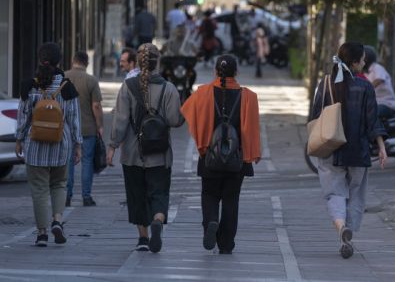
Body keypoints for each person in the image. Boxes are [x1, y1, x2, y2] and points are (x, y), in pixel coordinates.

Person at [311, 42, 387, 259]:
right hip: (359, 150)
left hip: (330, 148)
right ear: (354, 63)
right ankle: (348, 233)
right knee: (356, 194)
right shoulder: (365, 87)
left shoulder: (325, 83)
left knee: (334, 193)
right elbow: (372, 121)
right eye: (362, 59)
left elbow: (316, 116)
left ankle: (341, 225)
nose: (364, 63)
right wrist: (381, 147)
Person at [107, 43, 183, 253]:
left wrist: (112, 146)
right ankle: (158, 218)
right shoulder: (168, 88)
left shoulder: (128, 86)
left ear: (138, 62)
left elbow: (120, 120)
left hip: (133, 153)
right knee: (159, 193)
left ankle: (143, 237)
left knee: (137, 195)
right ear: (157, 62)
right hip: (160, 153)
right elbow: (175, 119)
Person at [181, 54, 261, 254]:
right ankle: (226, 244)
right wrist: (251, 155)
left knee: (209, 195)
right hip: (237, 160)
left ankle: (211, 221)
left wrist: (203, 141)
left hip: (210, 156)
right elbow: (252, 130)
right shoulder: (249, 97)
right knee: (231, 200)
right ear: (237, 72)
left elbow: (187, 113)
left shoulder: (202, 93)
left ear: (216, 71)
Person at [15, 42, 82, 247]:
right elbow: (73, 118)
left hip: (35, 145)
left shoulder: (29, 86)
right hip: (60, 145)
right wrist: (78, 144)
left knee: (39, 188)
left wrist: (19, 139)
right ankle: (58, 221)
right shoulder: (67, 87)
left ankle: (42, 233)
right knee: (59, 183)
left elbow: (23, 116)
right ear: (59, 61)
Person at [65, 51, 104, 207]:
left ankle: (67, 196)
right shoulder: (91, 80)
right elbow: (96, 105)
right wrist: (100, 125)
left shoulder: (64, 77)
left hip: (67, 128)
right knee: (87, 161)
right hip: (87, 128)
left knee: (68, 162)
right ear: (86, 63)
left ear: (73, 61)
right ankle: (86, 197)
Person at [363, 45, 395, 119]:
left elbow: (379, 79)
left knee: (372, 115)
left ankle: (378, 131)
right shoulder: (365, 73)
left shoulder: (377, 67)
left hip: (386, 103)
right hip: (375, 104)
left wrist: (366, 89)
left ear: (366, 58)